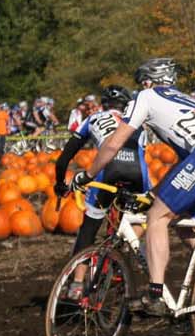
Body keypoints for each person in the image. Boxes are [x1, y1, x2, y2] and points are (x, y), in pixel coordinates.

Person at [72, 58, 195, 317]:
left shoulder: (145, 96)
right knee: (187, 224)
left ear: (147, 82)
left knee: (157, 216)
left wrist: (87, 175)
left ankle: (155, 294)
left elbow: (113, 144)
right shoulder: (190, 101)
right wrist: (153, 193)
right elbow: (187, 163)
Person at [55, 86, 150, 297]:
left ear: (103, 105)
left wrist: (60, 183)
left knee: (88, 228)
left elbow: (63, 159)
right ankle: (123, 248)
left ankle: (77, 284)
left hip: (107, 172)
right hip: (137, 175)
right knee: (145, 218)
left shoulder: (93, 118)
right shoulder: (138, 123)